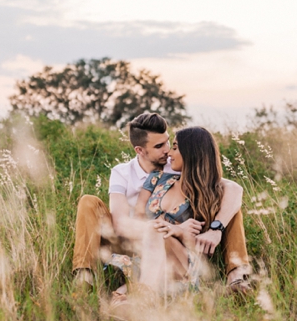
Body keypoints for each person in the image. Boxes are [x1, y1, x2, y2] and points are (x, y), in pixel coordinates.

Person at [71, 112, 251, 293]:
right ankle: (84, 276)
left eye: (167, 142)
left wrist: (215, 229)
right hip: (129, 240)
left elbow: (233, 189)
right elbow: (120, 224)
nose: (167, 150)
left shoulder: (175, 164)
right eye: (159, 146)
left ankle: (236, 275)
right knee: (88, 202)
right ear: (140, 150)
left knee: (229, 206)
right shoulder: (122, 172)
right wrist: (164, 229)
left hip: (172, 244)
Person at [133, 126, 226, 295]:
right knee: (116, 303)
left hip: (181, 262)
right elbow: (137, 218)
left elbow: (201, 245)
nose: (169, 153)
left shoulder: (209, 194)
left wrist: (180, 232)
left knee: (157, 230)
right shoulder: (157, 178)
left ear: (192, 153)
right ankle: (142, 296)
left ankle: (146, 295)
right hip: (146, 256)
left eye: (175, 148)